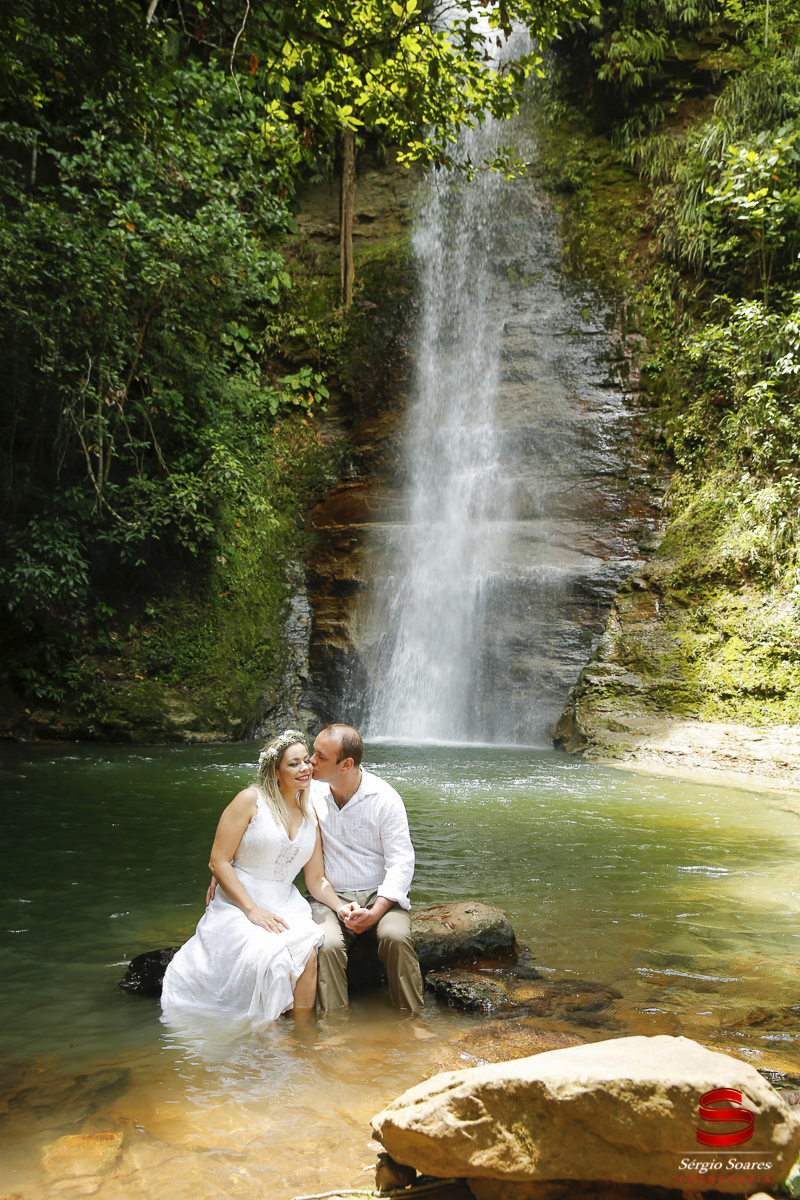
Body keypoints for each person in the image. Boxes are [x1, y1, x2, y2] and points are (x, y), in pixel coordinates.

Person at [161, 730, 350, 1025]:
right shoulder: (250, 801)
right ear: (276, 771)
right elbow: (218, 861)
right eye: (294, 764)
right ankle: (269, 1036)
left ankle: (303, 1034)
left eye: (306, 762)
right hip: (240, 901)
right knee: (270, 957)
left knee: (308, 953)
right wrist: (252, 910)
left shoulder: (310, 812)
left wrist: (340, 907)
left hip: (286, 901)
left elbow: (315, 880)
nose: (305, 768)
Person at [307, 724, 424, 1014]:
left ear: (346, 764)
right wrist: (226, 863)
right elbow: (264, 808)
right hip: (329, 894)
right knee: (327, 944)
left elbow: (401, 861)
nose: (311, 761)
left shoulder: (385, 798)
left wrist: (377, 911)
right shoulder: (308, 793)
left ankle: (414, 1020)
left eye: (320, 757)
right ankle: (334, 1026)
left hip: (378, 893)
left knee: (396, 937)